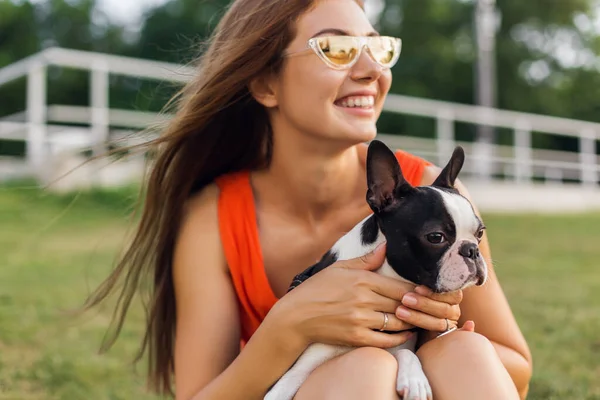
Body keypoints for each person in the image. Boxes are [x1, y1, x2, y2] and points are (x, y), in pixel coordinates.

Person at [84, 0, 533, 399]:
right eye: (336, 49)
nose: (372, 70)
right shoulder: (215, 220)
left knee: (466, 351)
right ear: (265, 85)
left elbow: (515, 369)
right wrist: (289, 324)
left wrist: (429, 343)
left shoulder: (437, 198)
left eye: (379, 49)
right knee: (366, 369)